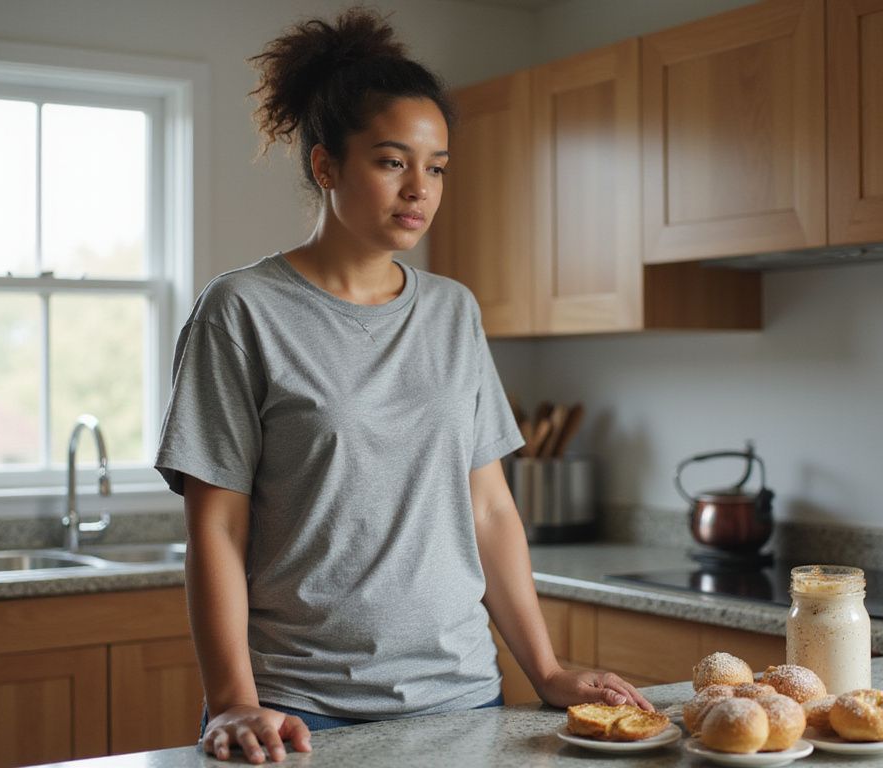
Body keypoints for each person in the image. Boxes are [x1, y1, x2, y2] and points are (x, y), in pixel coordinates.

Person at [154, 8, 652, 765]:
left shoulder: (453, 310)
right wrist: (232, 701)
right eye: (392, 162)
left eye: (438, 166)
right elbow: (216, 530)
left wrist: (544, 668)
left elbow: (488, 508)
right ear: (326, 166)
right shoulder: (242, 311)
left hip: (463, 700)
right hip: (296, 715)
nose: (420, 189)